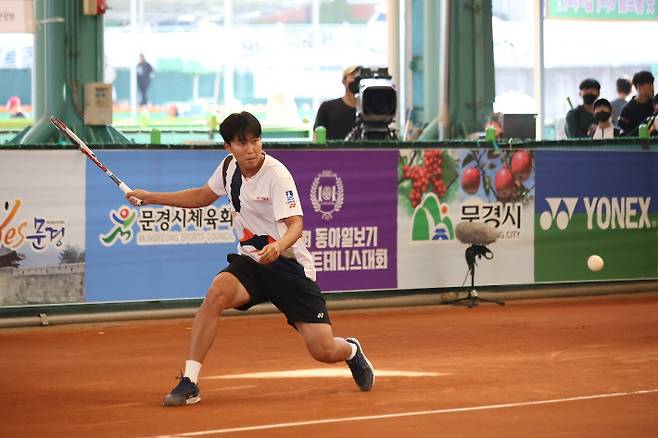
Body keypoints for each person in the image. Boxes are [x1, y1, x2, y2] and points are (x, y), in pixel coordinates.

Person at [125, 111, 375, 407]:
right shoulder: (228, 168)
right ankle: (190, 382)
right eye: (242, 143)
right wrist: (151, 197)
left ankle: (351, 351)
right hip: (252, 262)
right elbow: (201, 195)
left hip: (288, 266)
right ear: (228, 147)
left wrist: (278, 245)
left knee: (322, 350)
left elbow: (296, 225)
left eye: (255, 140)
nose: (251, 148)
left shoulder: (277, 175)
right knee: (216, 293)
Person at [313, 65, 359, 141]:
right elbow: (316, 139)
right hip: (332, 152)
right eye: (352, 76)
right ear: (344, 81)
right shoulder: (327, 107)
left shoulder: (371, 111)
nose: (356, 79)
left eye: (359, 77)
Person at [618, 70, 655, 136]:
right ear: (639, 86)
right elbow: (622, 135)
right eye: (649, 85)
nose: (652, 88)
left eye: (652, 84)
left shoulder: (655, 104)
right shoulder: (627, 109)